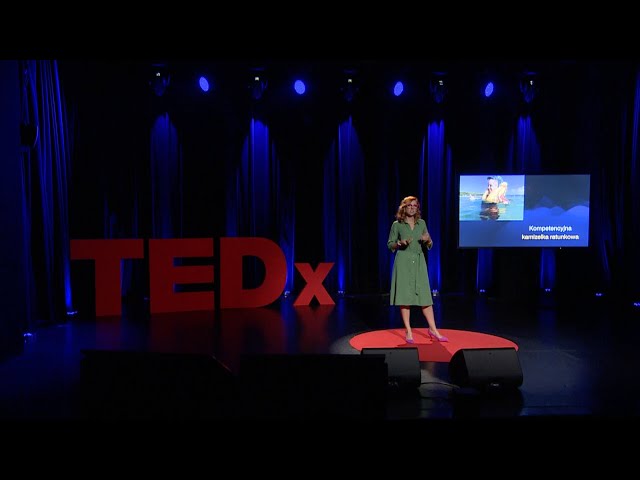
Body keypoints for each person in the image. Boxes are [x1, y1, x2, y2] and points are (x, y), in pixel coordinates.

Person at [387, 196, 448, 343]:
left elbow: (429, 244)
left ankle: (433, 329)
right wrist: (399, 243)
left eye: (415, 206)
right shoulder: (397, 224)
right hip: (403, 263)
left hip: (419, 263)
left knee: (425, 298)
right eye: (409, 205)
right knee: (405, 298)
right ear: (404, 208)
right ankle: (408, 331)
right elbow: (390, 245)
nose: (412, 208)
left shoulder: (422, 223)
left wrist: (428, 240)